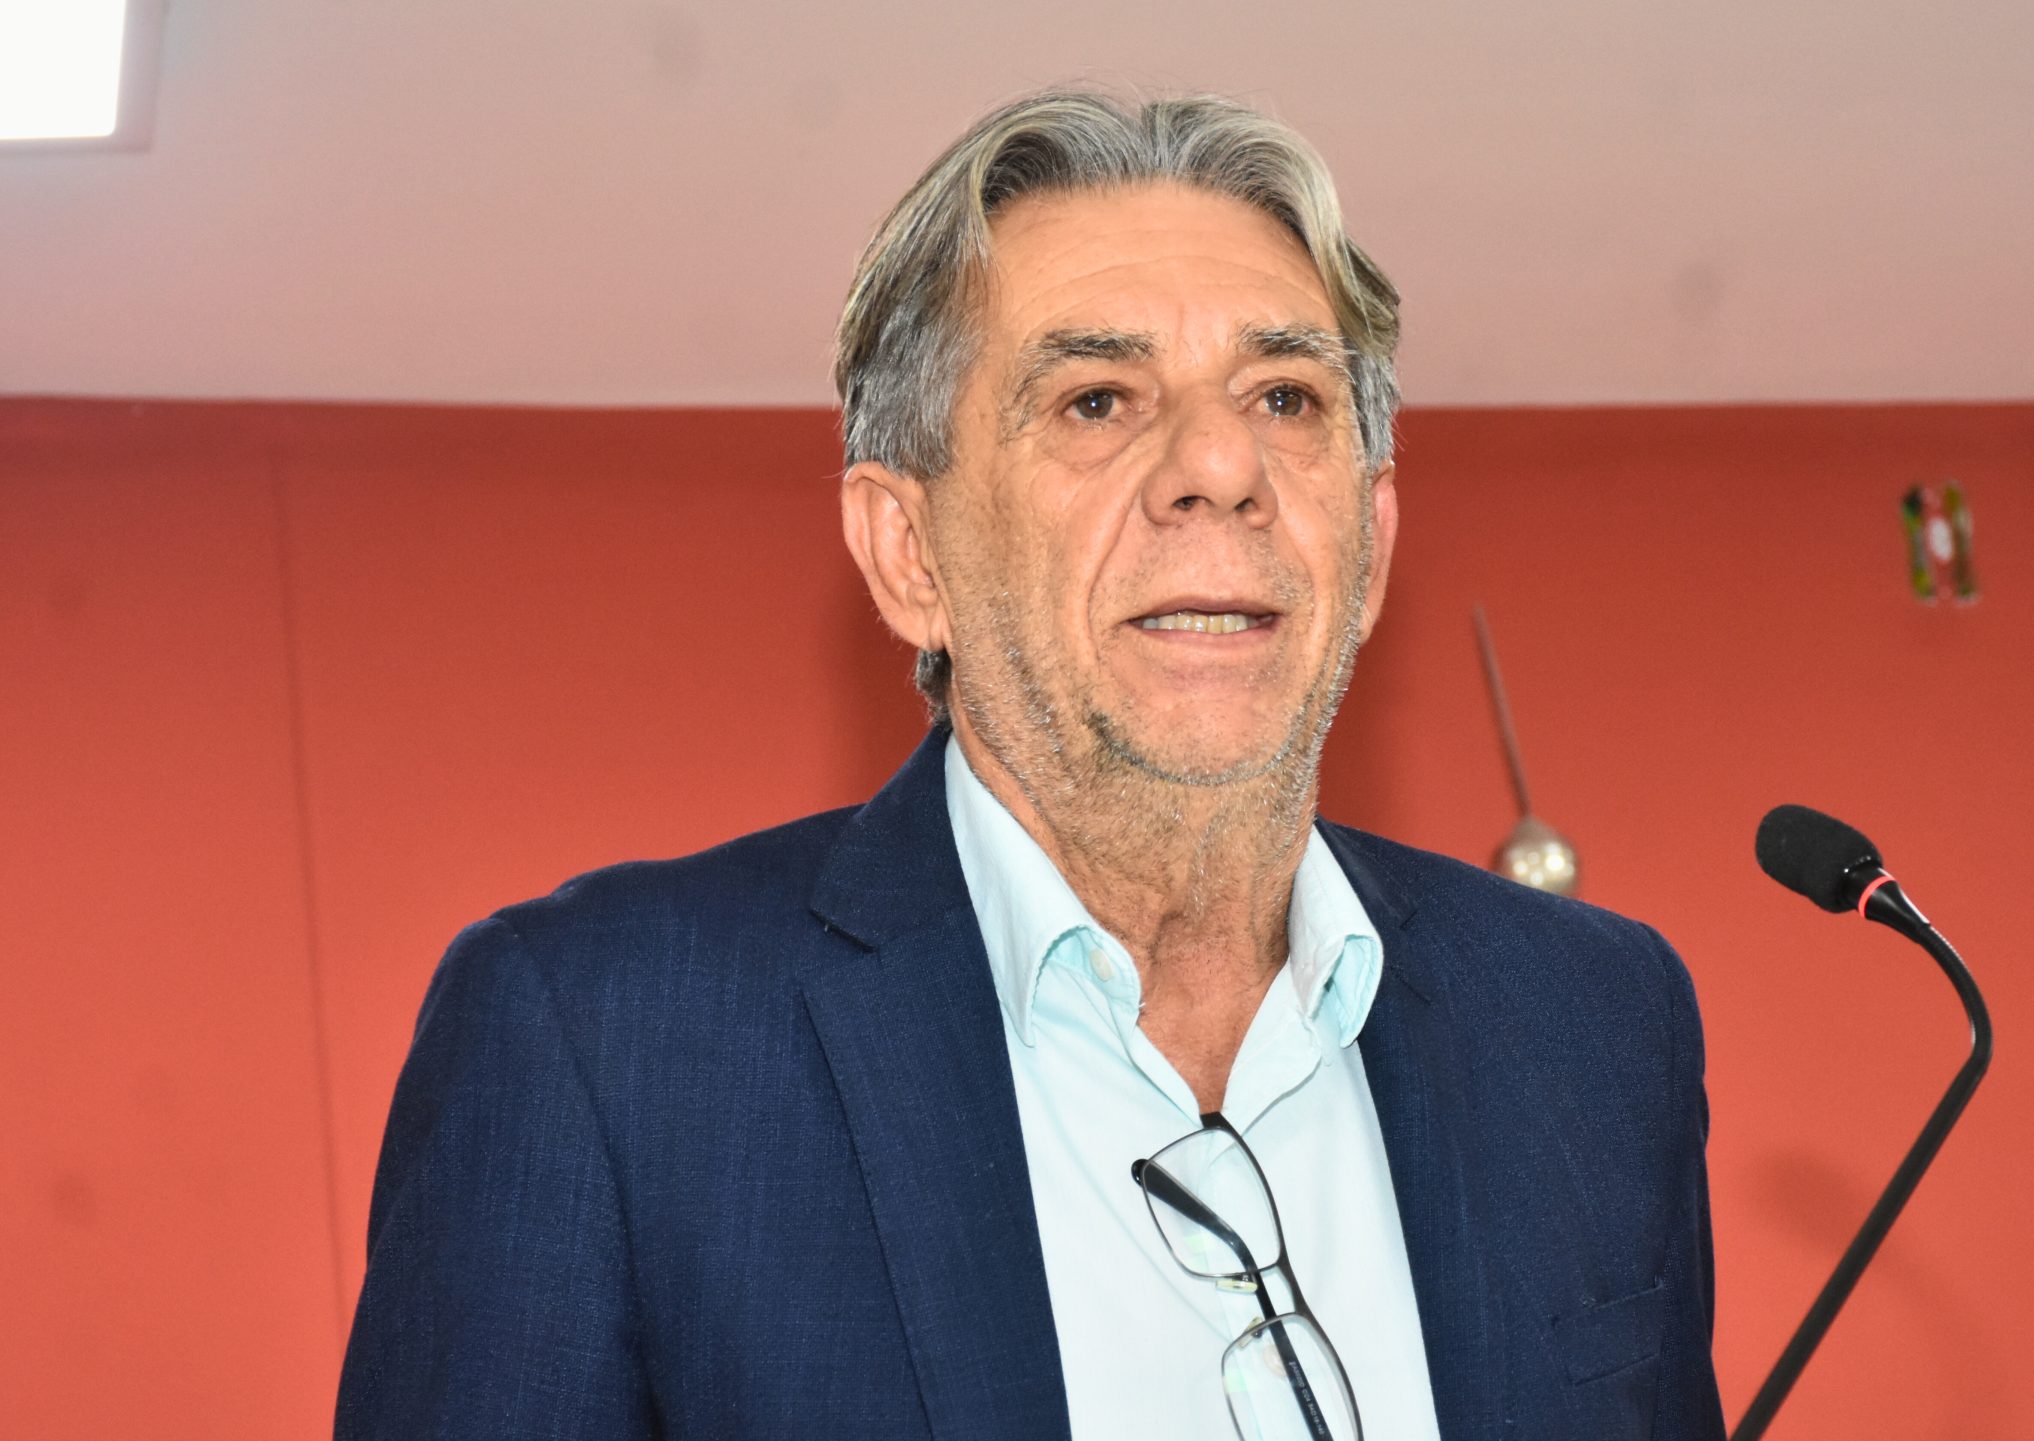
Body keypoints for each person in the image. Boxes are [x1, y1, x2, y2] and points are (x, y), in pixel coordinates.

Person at [337, 88, 1722, 1441]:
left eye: (1285, 395)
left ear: (1368, 547)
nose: (1222, 463)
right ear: (910, 555)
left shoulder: (1596, 1028)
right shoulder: (603, 1040)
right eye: (1098, 399)